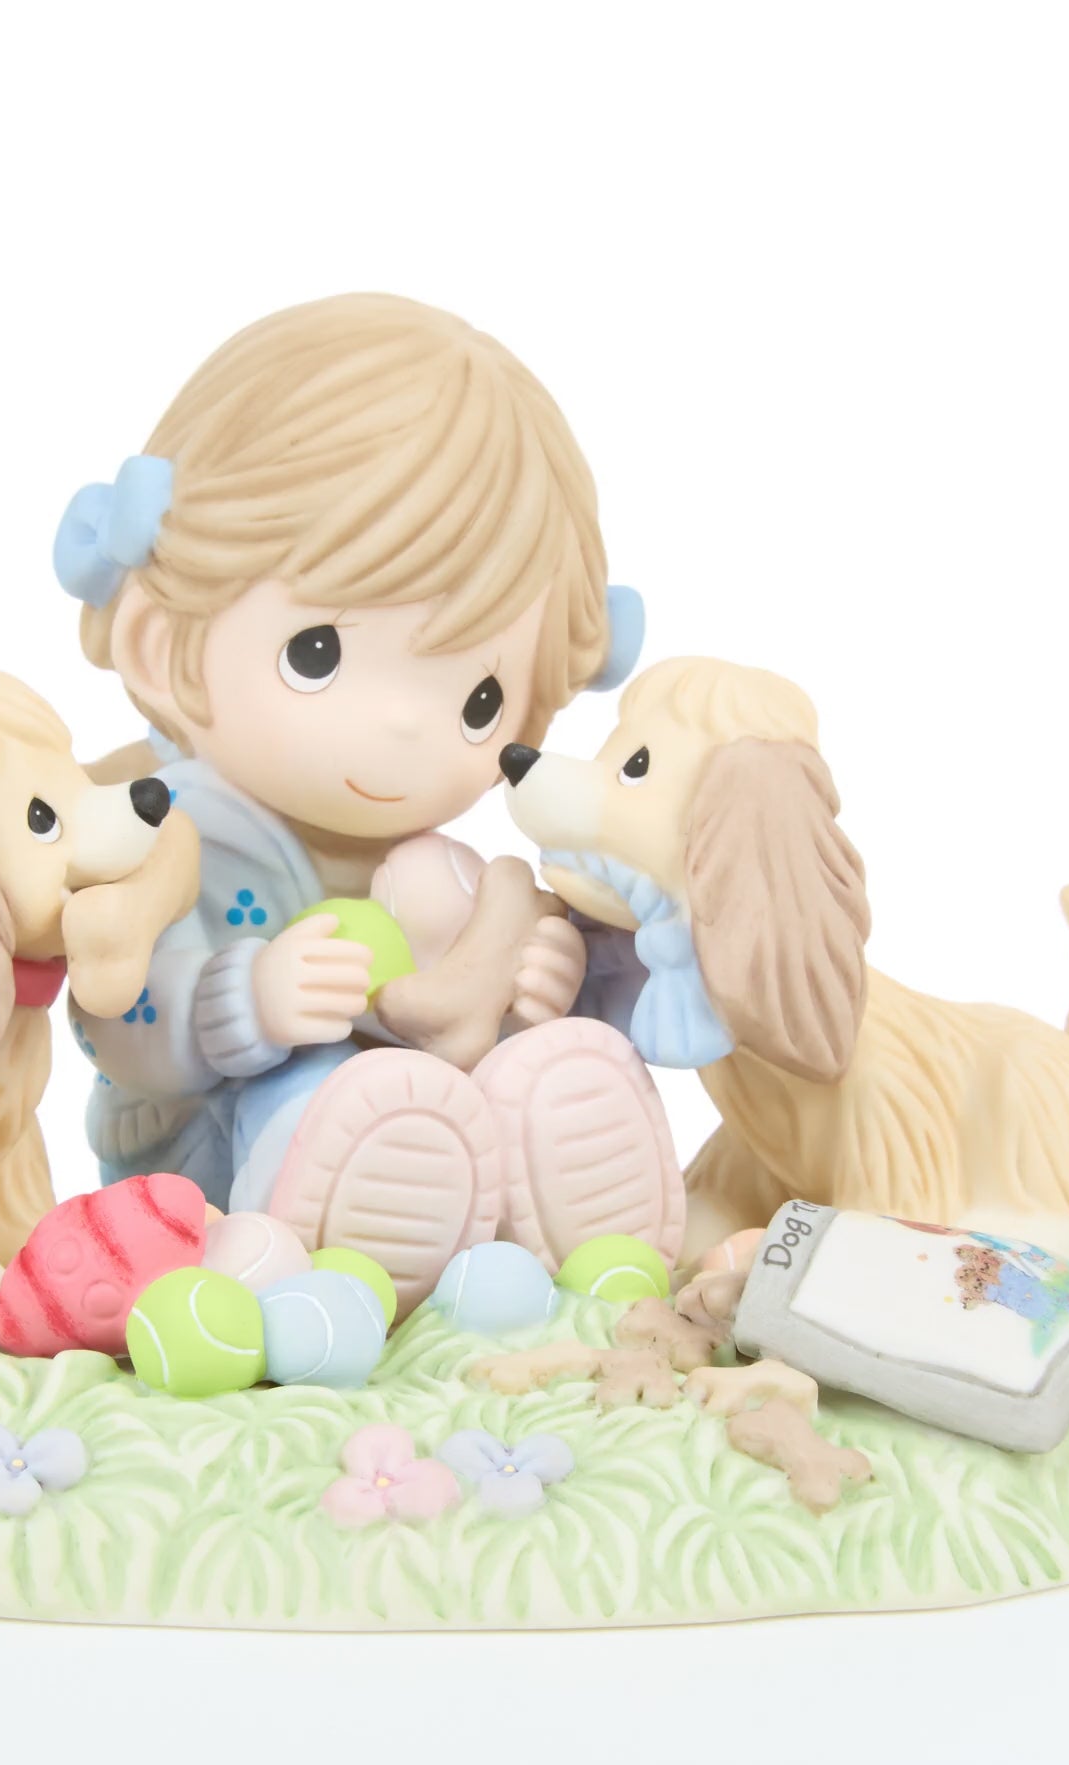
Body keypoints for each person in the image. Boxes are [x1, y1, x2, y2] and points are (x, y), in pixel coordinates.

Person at [54, 294, 681, 1309]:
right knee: (317, 1090)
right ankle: (359, 1217)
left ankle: (561, 1158)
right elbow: (113, 1013)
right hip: (201, 1164)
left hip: (432, 1124)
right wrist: (249, 1001)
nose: (402, 728)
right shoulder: (163, 829)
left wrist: (541, 982)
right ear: (159, 646)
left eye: (477, 701)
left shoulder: (439, 861)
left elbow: (463, 994)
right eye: (317, 654)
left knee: (516, 1063)